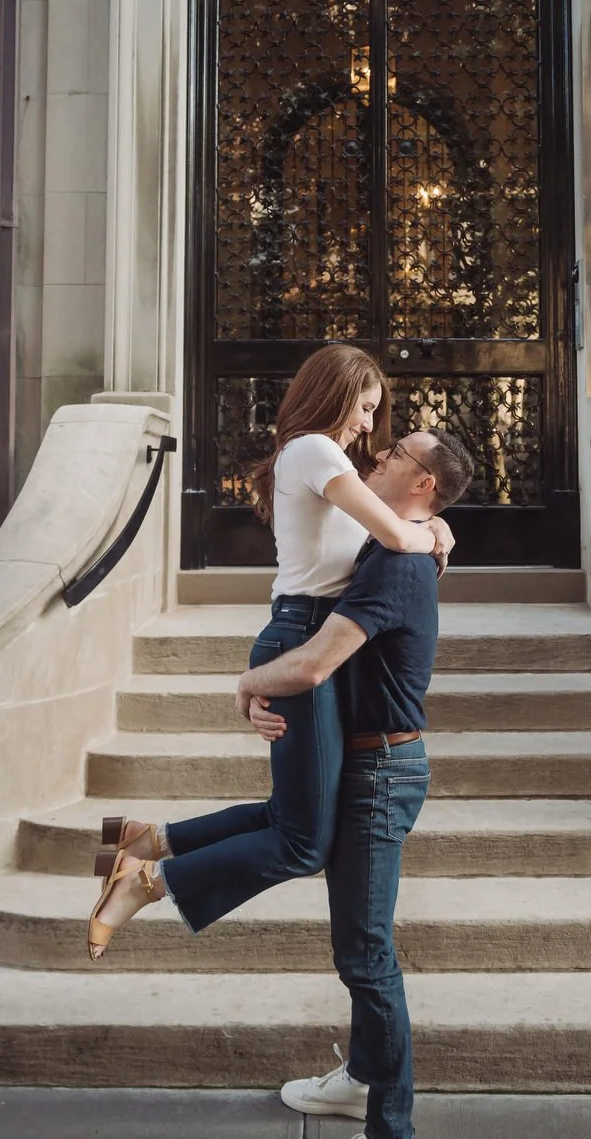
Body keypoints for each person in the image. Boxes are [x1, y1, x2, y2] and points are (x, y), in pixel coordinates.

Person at [86, 343, 453, 954]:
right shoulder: (315, 450)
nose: (369, 425)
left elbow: (401, 516)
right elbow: (394, 530)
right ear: (336, 395)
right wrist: (436, 533)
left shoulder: (325, 459)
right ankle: (143, 882)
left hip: (308, 628)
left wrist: (437, 524)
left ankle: (146, 839)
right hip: (304, 630)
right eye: (365, 408)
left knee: (298, 814)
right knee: (304, 841)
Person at [237, 426, 474, 1139]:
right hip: (366, 762)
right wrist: (436, 532)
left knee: (366, 953)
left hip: (381, 772)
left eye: (398, 452)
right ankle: (365, 1078)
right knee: (348, 933)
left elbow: (311, 667)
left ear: (424, 486)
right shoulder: (397, 545)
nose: (376, 451)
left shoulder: (399, 562)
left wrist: (245, 682)